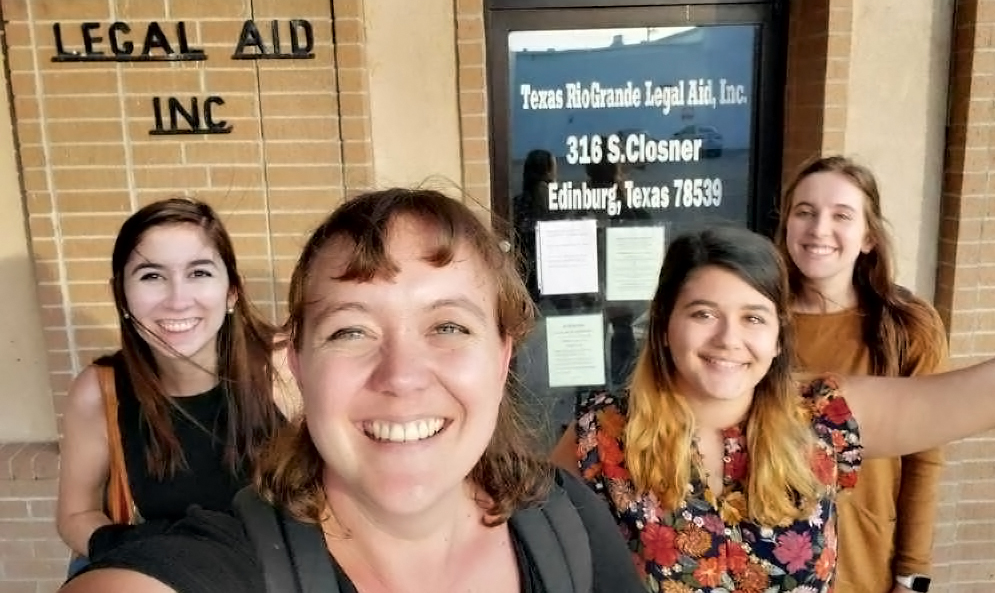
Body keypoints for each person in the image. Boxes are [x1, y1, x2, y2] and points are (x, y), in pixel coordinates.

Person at [60, 188, 646, 593]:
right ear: (300, 367)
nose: (402, 376)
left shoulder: (567, 518)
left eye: (448, 326)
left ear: (502, 358)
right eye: (351, 330)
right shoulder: (237, 554)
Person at [552, 225, 995, 592]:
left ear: (778, 337)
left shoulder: (821, 419)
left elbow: (975, 398)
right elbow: (529, 550)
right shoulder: (603, 433)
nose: (728, 339)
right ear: (665, 325)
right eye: (703, 314)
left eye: (754, 317)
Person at [57, 197, 299, 575]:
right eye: (152, 276)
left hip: (288, 574)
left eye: (199, 273)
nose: (178, 301)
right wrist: (145, 551)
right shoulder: (99, 390)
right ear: (121, 294)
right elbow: (75, 513)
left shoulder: (287, 367)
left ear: (232, 291)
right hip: (173, 574)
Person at [777, 155, 947, 593]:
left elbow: (924, 455)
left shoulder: (907, 326)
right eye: (805, 212)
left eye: (841, 216)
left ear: (868, 236)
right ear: (787, 225)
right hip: (762, 555)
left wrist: (913, 572)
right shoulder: (756, 319)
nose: (818, 229)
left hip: (861, 559)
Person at [513, 148, 557, 303]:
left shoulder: (517, 203)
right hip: (552, 270)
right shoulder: (558, 201)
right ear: (549, 171)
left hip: (526, 273)